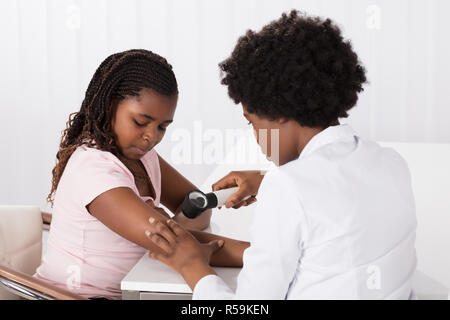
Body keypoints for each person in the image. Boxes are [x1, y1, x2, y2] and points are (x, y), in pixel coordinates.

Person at [145, 10, 418, 299]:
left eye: (252, 122)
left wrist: (192, 266)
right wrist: (268, 181)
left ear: (277, 113)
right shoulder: (391, 163)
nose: (256, 137)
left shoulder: (288, 188)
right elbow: (337, 196)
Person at [34, 49, 249, 300]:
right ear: (110, 105)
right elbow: (170, 240)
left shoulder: (142, 156)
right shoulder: (92, 169)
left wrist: (178, 232)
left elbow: (195, 205)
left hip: (137, 288)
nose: (152, 137)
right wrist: (263, 255)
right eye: (140, 122)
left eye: (162, 127)